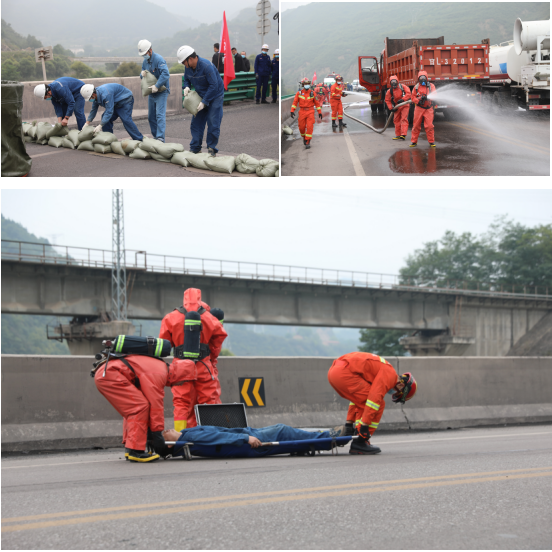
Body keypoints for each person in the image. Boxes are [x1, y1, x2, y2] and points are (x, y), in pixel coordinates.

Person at [93, 351, 194, 463]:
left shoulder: (160, 366)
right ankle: (135, 451)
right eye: (185, 381)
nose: (181, 384)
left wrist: (151, 435)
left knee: (133, 409)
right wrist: (157, 435)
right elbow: (155, 406)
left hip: (107, 373)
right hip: (111, 375)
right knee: (139, 407)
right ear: (180, 374)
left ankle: (130, 447)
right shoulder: (159, 373)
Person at [159, 287, 227, 431]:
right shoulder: (209, 317)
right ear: (199, 299)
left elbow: (164, 345)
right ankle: (209, 433)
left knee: (181, 402)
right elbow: (219, 338)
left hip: (180, 365)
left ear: (184, 299)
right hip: (204, 364)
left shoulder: (170, 317)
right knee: (208, 400)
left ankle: (180, 434)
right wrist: (211, 358)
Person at [327, 352, 417, 455]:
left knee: (362, 401)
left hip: (334, 372)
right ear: (401, 386)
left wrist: (349, 423)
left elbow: (355, 400)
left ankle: (357, 436)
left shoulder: (382, 368)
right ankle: (361, 441)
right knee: (378, 404)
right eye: (397, 394)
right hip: (344, 373)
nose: (393, 393)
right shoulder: (390, 375)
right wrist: (365, 427)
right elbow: (374, 398)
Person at [161, 423, 347, 458]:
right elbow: (219, 436)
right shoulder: (190, 438)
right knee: (283, 431)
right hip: (247, 441)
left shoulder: (187, 434)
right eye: (163, 435)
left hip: (246, 437)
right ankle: (331, 438)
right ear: (169, 444)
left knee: (288, 436)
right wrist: (245, 437)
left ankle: (328, 437)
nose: (165, 430)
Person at [178, 45, 225, 157]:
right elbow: (187, 79)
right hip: (200, 95)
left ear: (190, 59)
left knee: (213, 121)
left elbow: (214, 86)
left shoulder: (206, 66)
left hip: (215, 96)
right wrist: (186, 87)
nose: (184, 65)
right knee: (196, 122)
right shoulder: (188, 67)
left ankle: (211, 149)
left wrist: (204, 102)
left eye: (184, 62)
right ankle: (195, 148)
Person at [138, 39, 170, 143]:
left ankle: (160, 138)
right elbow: (143, 73)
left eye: (145, 53)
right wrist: (141, 74)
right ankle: (155, 136)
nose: (144, 56)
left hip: (161, 91)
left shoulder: (159, 59)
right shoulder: (145, 61)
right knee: (151, 116)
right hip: (151, 92)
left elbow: (165, 74)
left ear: (150, 50)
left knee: (159, 115)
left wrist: (157, 85)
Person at [290, 77, 323, 149]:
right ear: (302, 84)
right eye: (305, 84)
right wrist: (292, 111)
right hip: (302, 112)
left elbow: (317, 103)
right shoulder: (299, 93)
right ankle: (304, 137)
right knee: (301, 128)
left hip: (310, 111)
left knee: (309, 127)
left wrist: (319, 112)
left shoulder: (313, 93)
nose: (307, 85)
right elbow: (295, 102)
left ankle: (308, 141)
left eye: (308, 83)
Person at [410, 70, 437, 148]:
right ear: (418, 78)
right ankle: (414, 142)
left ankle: (431, 142)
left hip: (429, 108)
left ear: (426, 78)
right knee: (416, 126)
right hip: (419, 108)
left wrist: (427, 98)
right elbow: (413, 97)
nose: (422, 79)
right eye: (421, 77)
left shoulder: (431, 86)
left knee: (429, 126)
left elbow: (434, 95)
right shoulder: (416, 87)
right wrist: (418, 101)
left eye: (423, 77)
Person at [385, 74, 412, 141]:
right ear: (390, 83)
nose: (393, 83)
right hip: (397, 106)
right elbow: (387, 100)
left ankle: (403, 134)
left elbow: (408, 93)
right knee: (396, 120)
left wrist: (403, 99)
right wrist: (391, 108)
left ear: (397, 81)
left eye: (394, 81)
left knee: (404, 119)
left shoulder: (403, 87)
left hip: (404, 104)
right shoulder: (390, 91)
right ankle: (398, 135)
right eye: (392, 82)